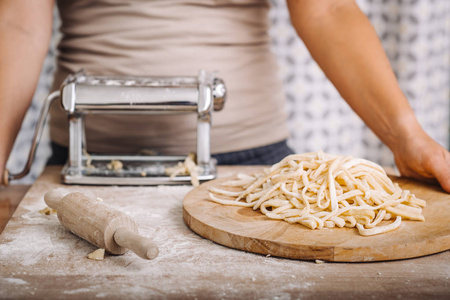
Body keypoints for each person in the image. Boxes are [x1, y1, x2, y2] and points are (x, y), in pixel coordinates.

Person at [1, 0, 449, 192]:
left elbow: (327, 9)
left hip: (250, 167)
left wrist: (406, 135)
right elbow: (17, 22)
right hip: (81, 167)